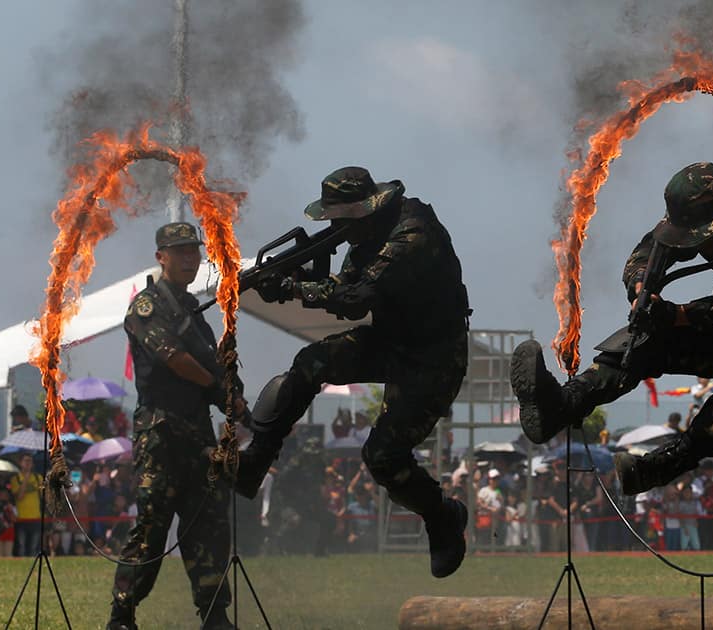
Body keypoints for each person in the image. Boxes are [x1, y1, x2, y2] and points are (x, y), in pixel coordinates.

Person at [510, 155, 713, 496]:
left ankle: (668, 462)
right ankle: (560, 406)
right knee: (646, 338)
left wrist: (676, 315)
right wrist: (641, 289)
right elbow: (651, 250)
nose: (697, 246)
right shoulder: (701, 201)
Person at [237, 167, 471, 578]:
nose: (338, 230)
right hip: (390, 341)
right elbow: (344, 284)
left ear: (365, 212)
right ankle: (256, 460)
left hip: (434, 357)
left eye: (342, 222)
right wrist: (292, 279)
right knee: (311, 364)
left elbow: (355, 299)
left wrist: (294, 290)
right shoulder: (366, 235)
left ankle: (441, 515)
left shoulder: (411, 235)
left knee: (382, 457)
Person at [106, 222, 244, 630]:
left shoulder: (193, 312)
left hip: (197, 432)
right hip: (161, 432)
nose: (189, 257)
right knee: (152, 526)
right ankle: (122, 614)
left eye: (193, 251)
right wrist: (215, 384)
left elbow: (212, 362)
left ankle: (215, 614)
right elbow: (174, 359)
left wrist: (231, 396)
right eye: (179, 251)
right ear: (160, 257)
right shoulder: (147, 306)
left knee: (209, 523)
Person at [10, 453, 43, 557]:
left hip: (36, 517)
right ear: (20, 463)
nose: (28, 463)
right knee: (21, 545)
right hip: (21, 518)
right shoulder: (15, 479)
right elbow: (19, 496)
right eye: (26, 461)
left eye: (30, 461)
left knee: (34, 546)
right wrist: (26, 479)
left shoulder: (38, 478)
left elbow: (44, 496)